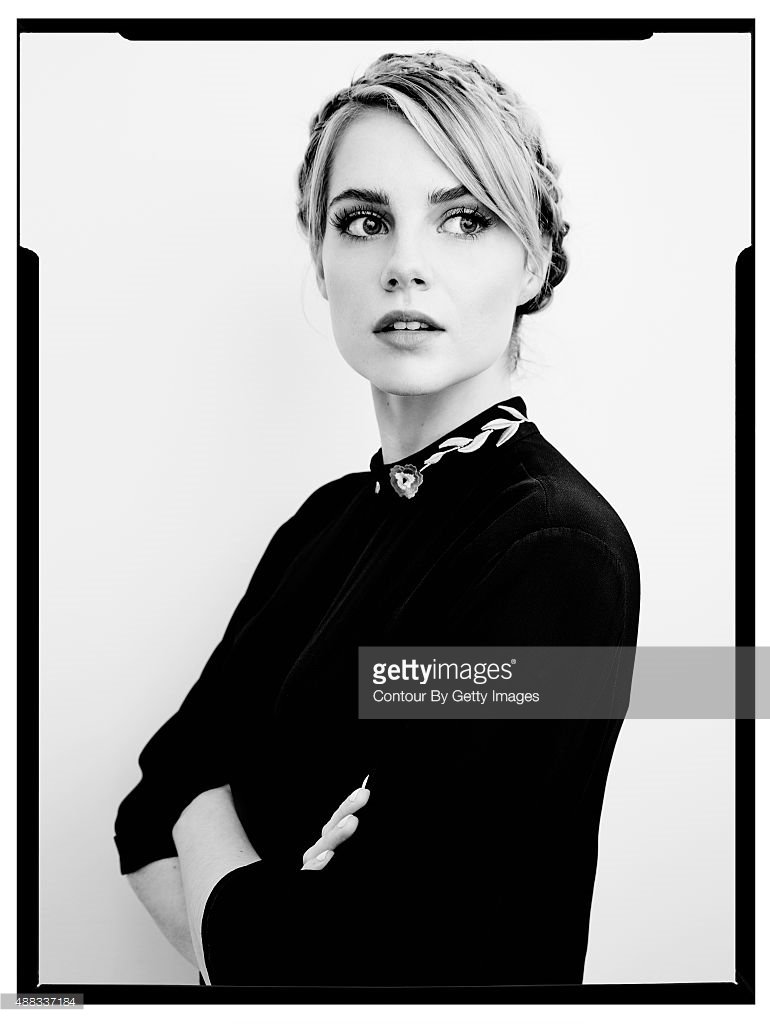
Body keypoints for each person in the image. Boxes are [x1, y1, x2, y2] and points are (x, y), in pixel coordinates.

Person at [114, 51, 640, 989]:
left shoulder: (550, 550)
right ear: (321, 258)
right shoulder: (326, 523)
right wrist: (249, 878)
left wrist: (212, 810)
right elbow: (147, 808)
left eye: (464, 219)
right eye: (364, 221)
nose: (405, 266)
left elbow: (337, 965)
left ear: (533, 260)